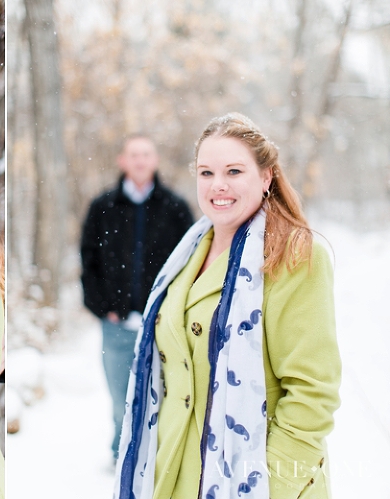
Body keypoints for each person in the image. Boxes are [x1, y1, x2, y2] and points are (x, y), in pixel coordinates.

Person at [114, 113, 341, 499]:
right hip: (172, 473)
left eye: (234, 171)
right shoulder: (187, 253)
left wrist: (272, 484)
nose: (218, 185)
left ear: (266, 176)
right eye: (206, 173)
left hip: (252, 482)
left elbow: (312, 394)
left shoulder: (294, 255)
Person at [80, 134, 193, 459]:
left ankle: (156, 455)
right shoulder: (103, 208)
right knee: (121, 397)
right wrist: (103, 307)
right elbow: (88, 261)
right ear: (123, 161)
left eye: (146, 154)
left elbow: (190, 263)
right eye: (134, 154)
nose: (141, 160)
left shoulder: (175, 208)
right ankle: (123, 452)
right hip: (116, 325)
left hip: (162, 323)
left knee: (162, 393)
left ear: (155, 161)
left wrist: (173, 308)